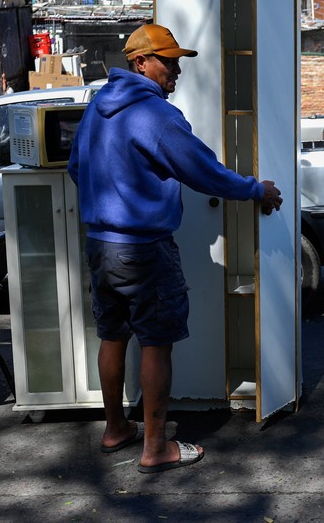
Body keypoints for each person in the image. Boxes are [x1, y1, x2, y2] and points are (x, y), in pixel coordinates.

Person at [67, 23, 283, 473]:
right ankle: (155, 446)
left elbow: (75, 168)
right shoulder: (156, 116)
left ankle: (115, 429)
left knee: (113, 334)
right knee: (156, 342)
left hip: (100, 245)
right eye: (169, 61)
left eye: (178, 61)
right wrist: (253, 189)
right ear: (140, 62)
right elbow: (202, 170)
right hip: (143, 249)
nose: (176, 70)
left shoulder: (96, 109)